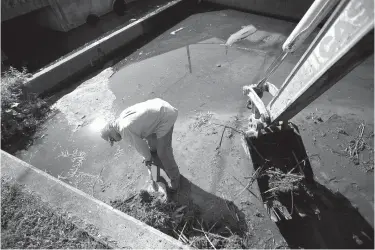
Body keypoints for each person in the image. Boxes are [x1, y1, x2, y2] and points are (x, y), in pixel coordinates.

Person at [100, 98, 180, 191]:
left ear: (110, 130)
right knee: (152, 148)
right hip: (160, 105)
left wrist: (147, 159)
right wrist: (148, 155)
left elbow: (141, 146)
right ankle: (156, 157)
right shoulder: (121, 118)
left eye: (111, 139)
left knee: (163, 152)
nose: (114, 141)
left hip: (165, 116)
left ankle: (175, 178)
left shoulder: (124, 130)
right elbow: (141, 136)